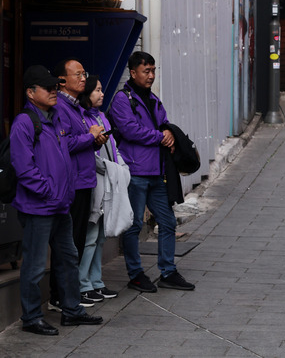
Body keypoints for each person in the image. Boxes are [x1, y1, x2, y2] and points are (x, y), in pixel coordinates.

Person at [11, 65, 103, 336]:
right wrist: (51, 191)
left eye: (55, 86)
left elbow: (66, 156)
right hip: (39, 207)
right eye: (47, 87)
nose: (53, 91)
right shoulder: (24, 123)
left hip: (61, 205)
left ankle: (72, 311)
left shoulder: (56, 119)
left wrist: (65, 193)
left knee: (68, 258)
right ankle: (31, 317)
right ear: (30, 92)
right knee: (36, 265)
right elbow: (25, 169)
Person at [109, 51, 195, 292]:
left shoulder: (154, 99)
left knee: (167, 222)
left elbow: (164, 124)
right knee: (134, 224)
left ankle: (168, 271)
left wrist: (168, 133)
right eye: (146, 71)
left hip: (157, 172)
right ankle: (136, 274)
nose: (151, 76)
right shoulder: (122, 100)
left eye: (153, 70)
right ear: (133, 72)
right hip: (135, 172)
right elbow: (130, 130)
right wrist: (160, 136)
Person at [48, 58, 108, 310]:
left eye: (84, 73)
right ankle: (60, 296)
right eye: (78, 74)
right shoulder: (60, 107)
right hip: (72, 182)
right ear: (62, 80)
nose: (84, 78)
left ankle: (71, 293)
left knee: (79, 241)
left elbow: (81, 140)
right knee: (69, 243)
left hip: (85, 180)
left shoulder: (78, 108)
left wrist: (96, 140)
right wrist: (89, 137)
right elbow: (65, 144)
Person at [78, 75, 130, 303]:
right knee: (90, 235)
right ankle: (83, 284)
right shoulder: (82, 118)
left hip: (109, 179)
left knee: (99, 237)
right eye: (97, 90)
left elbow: (113, 146)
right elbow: (91, 154)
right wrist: (111, 169)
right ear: (87, 93)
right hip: (95, 182)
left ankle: (96, 282)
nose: (101, 94)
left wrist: (122, 168)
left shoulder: (102, 117)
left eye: (101, 89)